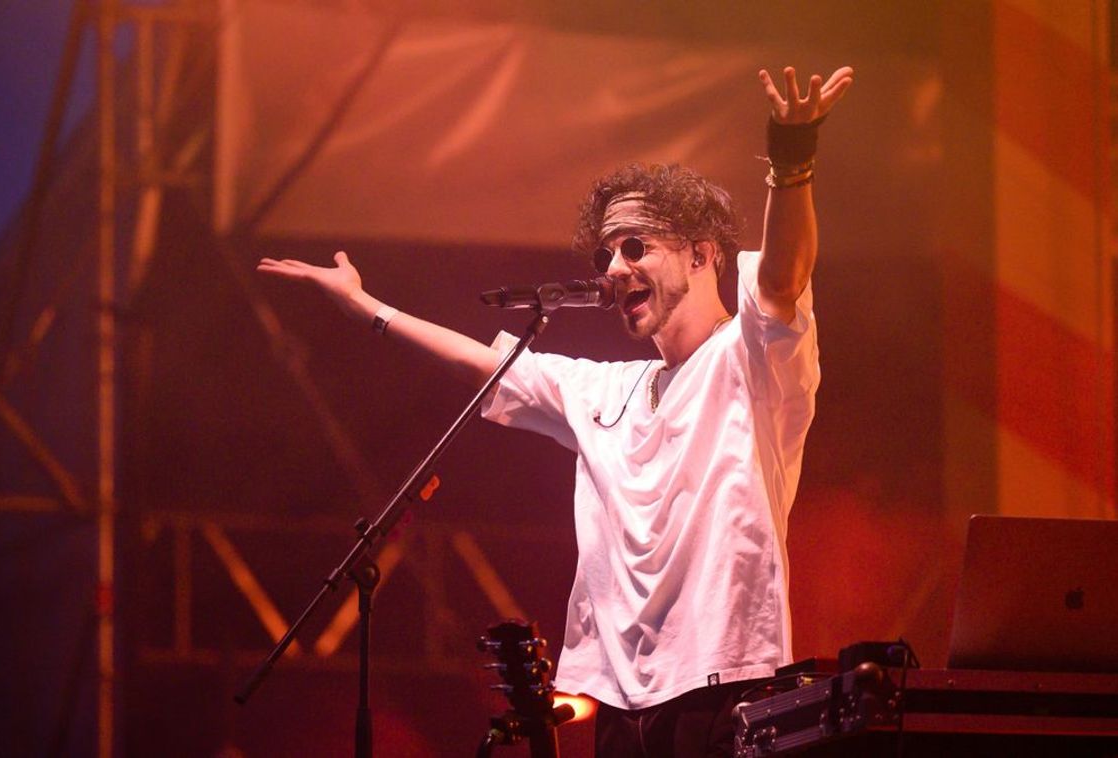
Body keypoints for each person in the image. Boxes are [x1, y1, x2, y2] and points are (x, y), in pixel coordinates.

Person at [258, 65, 854, 757]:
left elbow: (782, 278)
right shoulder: (607, 390)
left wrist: (791, 160)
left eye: (636, 246)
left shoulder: (752, 359)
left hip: (725, 681)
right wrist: (365, 307)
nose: (613, 267)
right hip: (620, 699)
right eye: (605, 253)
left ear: (700, 255)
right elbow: (483, 364)